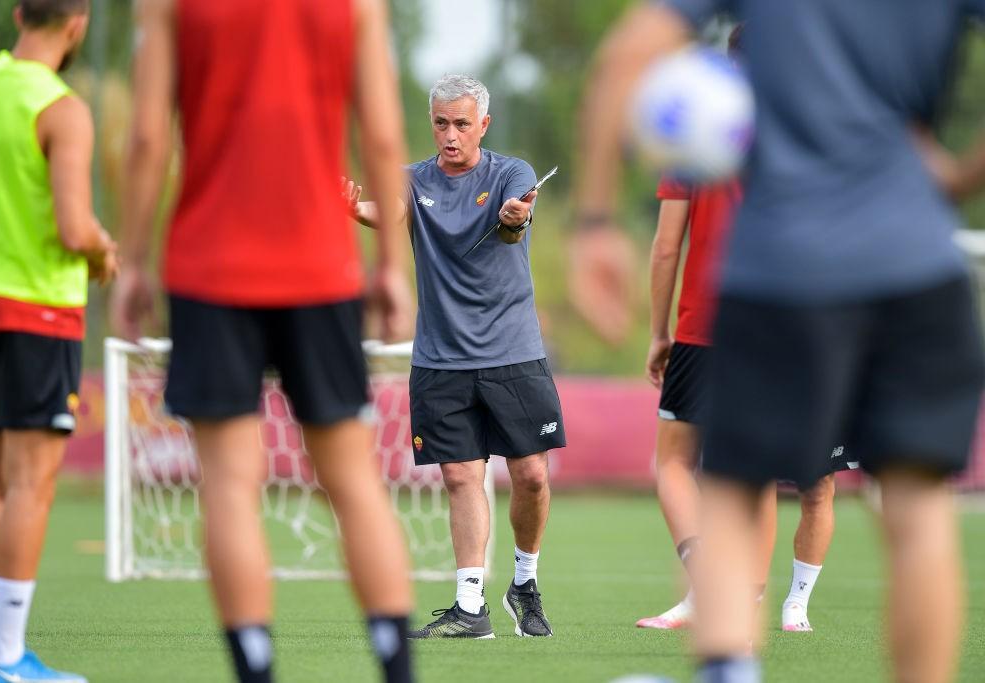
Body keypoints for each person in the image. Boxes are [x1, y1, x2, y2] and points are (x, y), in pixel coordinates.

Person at [575, 2, 985, 682]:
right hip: (914, 260)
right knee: (917, 514)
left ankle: (730, 669)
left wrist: (593, 219)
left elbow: (630, 49)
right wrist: (959, 175)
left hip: (779, 269)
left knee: (733, 492)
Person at [110, 1, 417, 681]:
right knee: (352, 478)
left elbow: (147, 140)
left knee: (227, 484)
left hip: (208, 267)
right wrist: (392, 264)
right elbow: (384, 136)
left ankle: (255, 670)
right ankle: (398, 670)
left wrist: (132, 260)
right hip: (322, 266)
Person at [348, 74, 565, 639]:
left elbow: (517, 223)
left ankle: (524, 582)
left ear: (483, 125)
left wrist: (515, 219)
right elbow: (388, 211)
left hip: (513, 353)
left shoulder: (510, 173)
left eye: (462, 124)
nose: (450, 135)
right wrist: (352, 207)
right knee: (462, 475)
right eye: (442, 123)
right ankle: (471, 606)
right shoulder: (411, 180)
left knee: (532, 477)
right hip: (441, 359)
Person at [0, 1, 118, 681]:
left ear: (21, 12)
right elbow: (73, 228)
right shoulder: (61, 108)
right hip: (38, 315)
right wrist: (105, 253)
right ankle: (4, 658)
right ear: (77, 23)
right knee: (31, 483)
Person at [641, 168, 853, 633]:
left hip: (715, 330)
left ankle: (752, 594)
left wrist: (659, 333)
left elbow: (666, 247)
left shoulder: (689, 135)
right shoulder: (814, 122)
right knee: (755, 475)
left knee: (677, 464)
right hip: (792, 329)